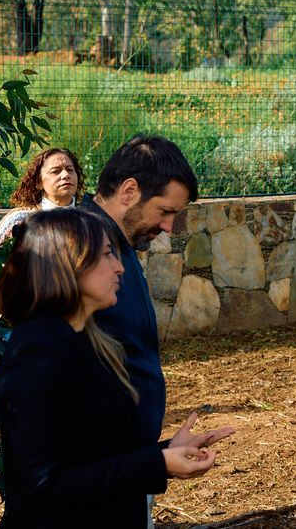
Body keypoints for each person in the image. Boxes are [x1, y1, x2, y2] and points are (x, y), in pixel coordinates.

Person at [0, 209, 231, 528]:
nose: (119, 266)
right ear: (68, 263)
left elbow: (93, 454)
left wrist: (167, 453)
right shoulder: (37, 351)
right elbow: (41, 484)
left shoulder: (88, 340)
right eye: (107, 255)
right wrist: (157, 464)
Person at [82, 134, 200, 444]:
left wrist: (157, 455)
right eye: (164, 211)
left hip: (128, 465)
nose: (168, 227)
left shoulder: (120, 242)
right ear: (129, 191)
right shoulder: (79, 250)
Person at [0, 147, 85, 246]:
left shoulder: (90, 221)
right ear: (38, 182)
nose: (65, 175)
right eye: (55, 171)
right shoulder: (19, 220)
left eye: (70, 169)